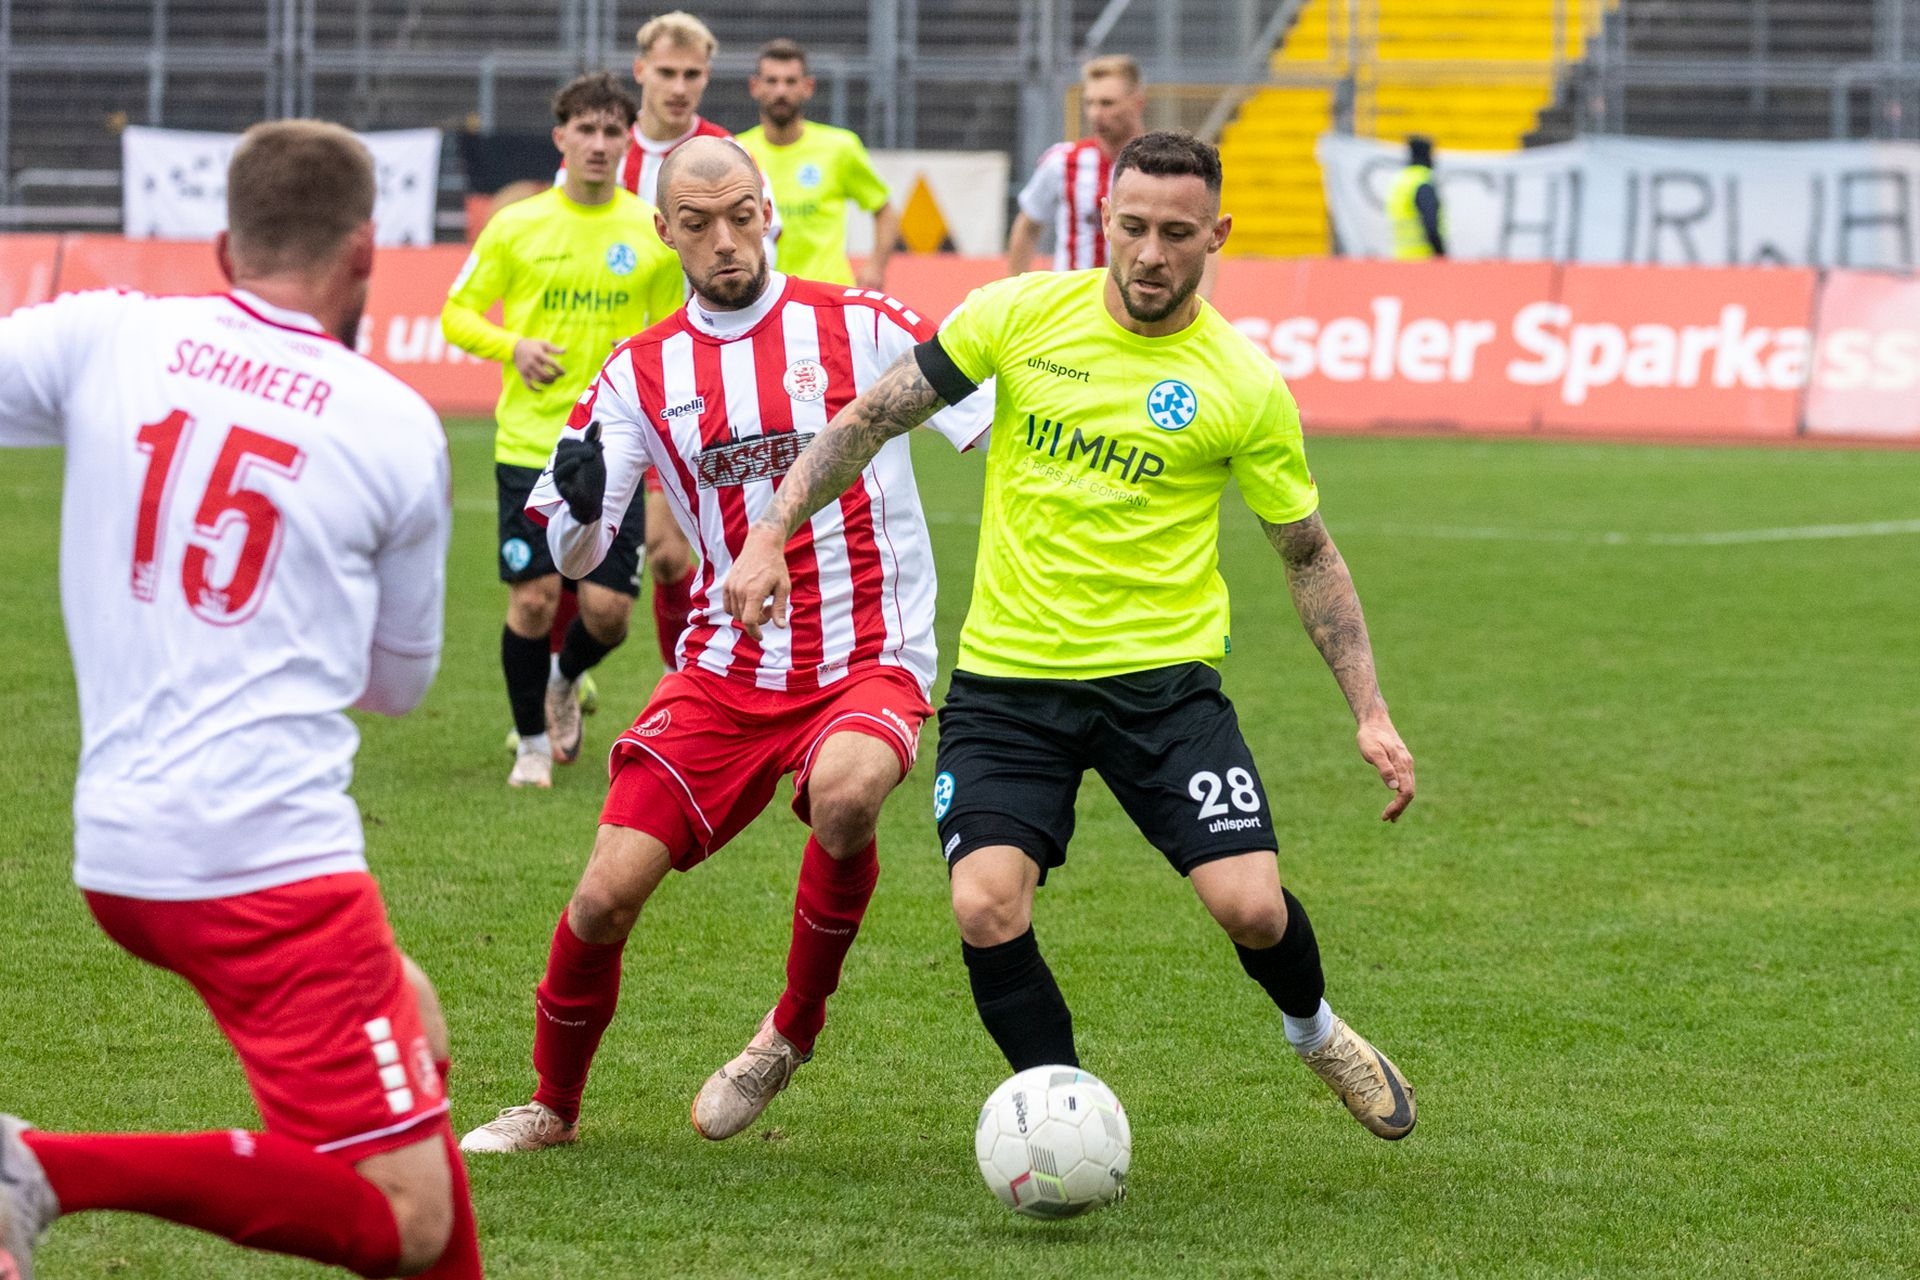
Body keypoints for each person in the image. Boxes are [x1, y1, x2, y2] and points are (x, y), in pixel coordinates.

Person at [725, 131, 1421, 1142]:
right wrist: (769, 532)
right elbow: (872, 417)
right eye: (1132, 227)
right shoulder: (1016, 315)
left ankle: (1315, 1030)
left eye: (1176, 233)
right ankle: (1064, 1116)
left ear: (1217, 234)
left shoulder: (1243, 382)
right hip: (1010, 686)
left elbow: (1307, 553)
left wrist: (1370, 710)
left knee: (1253, 909)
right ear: (1103, 221)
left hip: (1163, 689)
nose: (1150, 253)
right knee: (985, 904)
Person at [0, 121, 482, 1277]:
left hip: (121, 852)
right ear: (367, 253)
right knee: (406, 1219)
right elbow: (399, 684)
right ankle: (38, 1167)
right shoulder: (390, 421)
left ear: (223, 246)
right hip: (262, 863)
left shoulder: (110, 333)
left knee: (412, 1020)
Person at [457, 136, 988, 1156]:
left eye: (742, 215)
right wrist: (579, 513)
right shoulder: (638, 371)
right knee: (603, 894)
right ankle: (551, 1106)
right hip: (725, 665)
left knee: (847, 793)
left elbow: (1000, 425)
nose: (726, 240)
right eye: (698, 224)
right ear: (665, 232)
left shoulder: (863, 324)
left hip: (870, 651)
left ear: (769, 210)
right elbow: (574, 552)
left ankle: (790, 1030)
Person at [442, 71, 683, 789]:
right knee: (533, 598)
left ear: (626, 140)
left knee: (607, 616)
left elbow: (672, 332)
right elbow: (456, 313)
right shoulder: (517, 225)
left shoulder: (649, 228)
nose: (599, 144)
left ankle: (563, 677)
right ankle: (531, 747)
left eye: (612, 131)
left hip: (614, 448)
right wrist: (511, 346)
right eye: (586, 130)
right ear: (561, 138)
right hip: (529, 442)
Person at [737, 37, 899, 289]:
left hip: (827, 293)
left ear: (808, 87)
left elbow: (884, 209)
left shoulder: (839, 147)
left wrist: (876, 266)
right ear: (754, 86)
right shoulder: (739, 151)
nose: (781, 91)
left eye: (791, 81)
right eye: (772, 81)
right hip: (765, 295)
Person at [1006, 54, 1146, 276]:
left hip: (1136, 294)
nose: (1096, 113)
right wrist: (1015, 287)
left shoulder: (1159, 166)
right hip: (1072, 294)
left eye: (1107, 103)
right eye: (1089, 103)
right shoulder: (1062, 160)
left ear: (1137, 103)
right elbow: (1028, 226)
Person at [1387, 135, 1446, 260]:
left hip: (1401, 256)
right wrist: (1441, 254)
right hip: (1423, 258)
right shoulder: (1422, 181)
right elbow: (1431, 225)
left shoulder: (1401, 180)